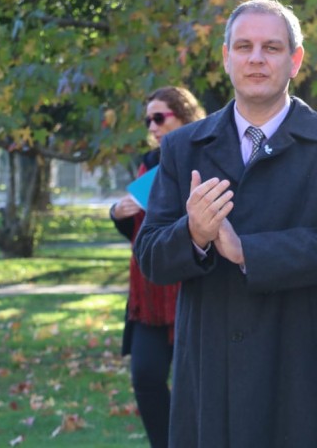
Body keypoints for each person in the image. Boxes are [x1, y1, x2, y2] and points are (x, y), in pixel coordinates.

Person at [134, 0, 317, 448]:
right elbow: (150, 256)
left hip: (299, 370)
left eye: (271, 47)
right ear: (227, 58)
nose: (256, 58)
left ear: (295, 60)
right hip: (211, 373)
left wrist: (247, 251)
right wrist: (194, 234)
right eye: (244, 47)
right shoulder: (183, 147)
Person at [110, 86, 205, 448]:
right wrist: (117, 214)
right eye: (149, 119)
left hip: (193, 286)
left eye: (160, 117)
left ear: (184, 115)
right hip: (149, 295)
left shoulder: (206, 156)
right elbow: (141, 231)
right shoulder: (149, 162)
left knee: (195, 385)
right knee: (146, 376)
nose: (152, 126)